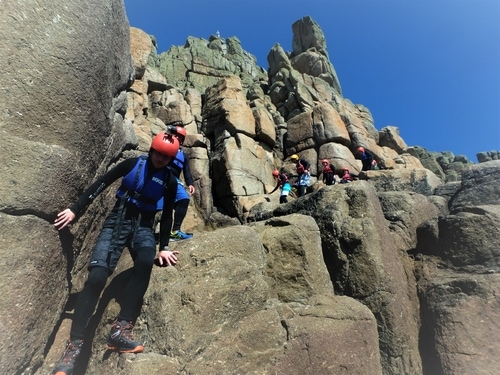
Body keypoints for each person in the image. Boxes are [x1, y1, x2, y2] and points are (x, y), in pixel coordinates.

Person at [51, 132, 180, 375]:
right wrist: (75, 209)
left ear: (171, 159)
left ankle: (120, 329)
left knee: (145, 260)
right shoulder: (133, 164)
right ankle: (74, 347)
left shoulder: (170, 181)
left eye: (166, 157)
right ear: (151, 150)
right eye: (158, 154)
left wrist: (163, 247)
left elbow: (168, 215)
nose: (161, 159)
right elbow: (101, 183)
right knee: (97, 277)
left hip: (143, 225)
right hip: (117, 220)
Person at [165, 124, 195, 241]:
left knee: (183, 199)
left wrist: (190, 183)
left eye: (179, 137)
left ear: (182, 141)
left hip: (174, 181)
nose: (177, 138)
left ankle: (175, 231)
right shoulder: (166, 146)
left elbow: (187, 172)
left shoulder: (184, 156)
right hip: (161, 176)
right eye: (175, 136)